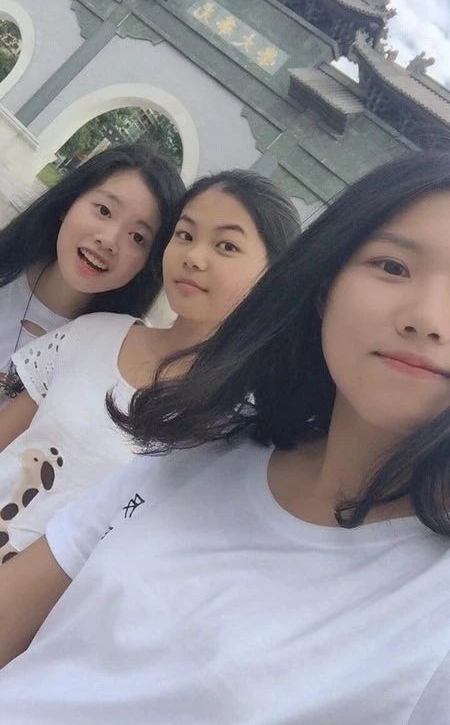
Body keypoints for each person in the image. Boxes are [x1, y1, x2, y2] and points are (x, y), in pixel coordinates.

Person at [0, 150, 448, 724]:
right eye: (392, 266)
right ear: (323, 284)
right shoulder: (202, 451)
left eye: (228, 246)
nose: (427, 318)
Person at [0, 170, 300, 562]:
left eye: (226, 245)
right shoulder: (93, 333)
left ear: (274, 276)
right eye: (185, 235)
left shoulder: (233, 425)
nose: (193, 257)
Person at [0, 141, 185, 407]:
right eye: (104, 210)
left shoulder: (120, 358)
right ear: (68, 203)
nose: (109, 240)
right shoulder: (6, 273)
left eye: (137, 237)